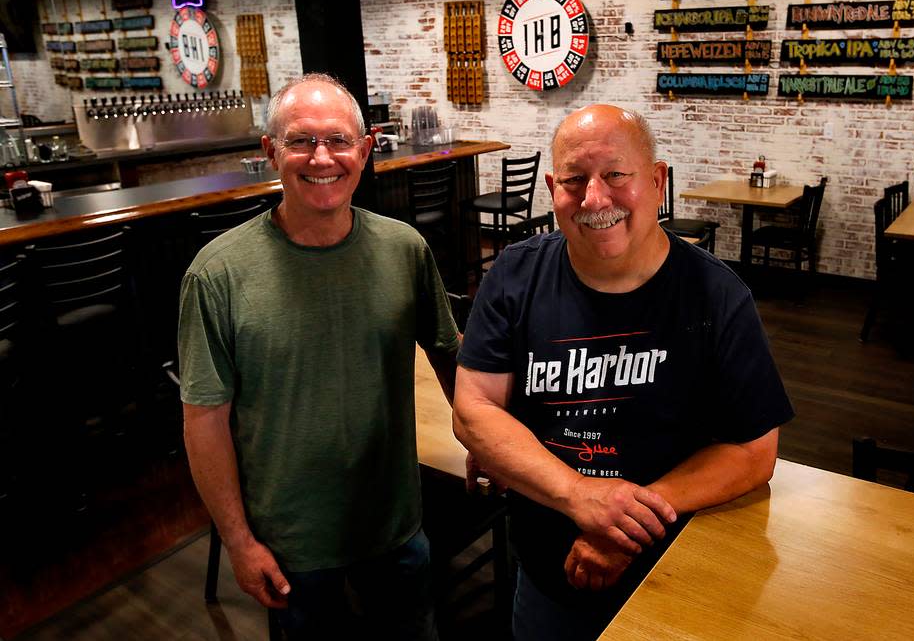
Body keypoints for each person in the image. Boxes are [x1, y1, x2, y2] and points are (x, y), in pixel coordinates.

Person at [453, 104, 794, 640]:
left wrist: (621, 526)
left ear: (656, 181)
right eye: (573, 180)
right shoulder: (515, 274)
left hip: (677, 571)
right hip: (546, 574)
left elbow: (753, 450)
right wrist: (578, 494)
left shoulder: (717, 294)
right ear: (551, 188)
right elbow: (474, 410)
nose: (594, 199)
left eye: (615, 175)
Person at [178, 73, 459, 639]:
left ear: (365, 149)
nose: (321, 158)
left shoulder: (405, 249)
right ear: (270, 152)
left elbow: (452, 360)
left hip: (395, 526)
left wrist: (483, 444)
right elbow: (203, 422)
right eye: (301, 141)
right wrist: (238, 540)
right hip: (291, 545)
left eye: (337, 140)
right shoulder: (217, 274)